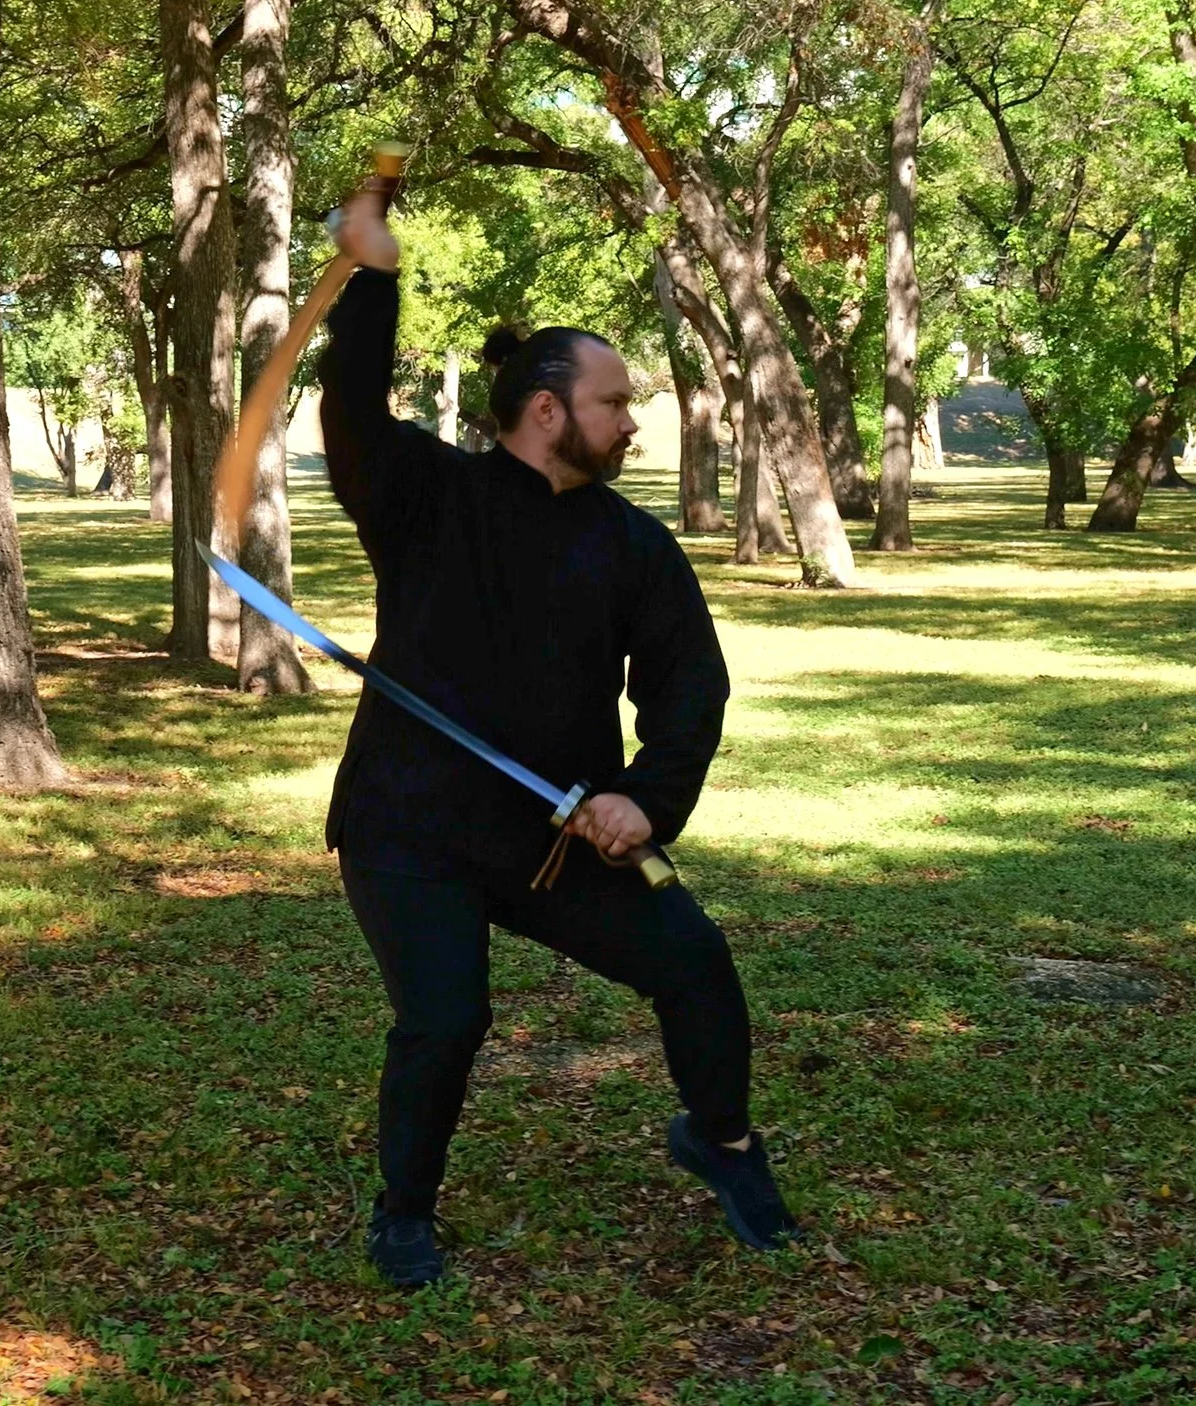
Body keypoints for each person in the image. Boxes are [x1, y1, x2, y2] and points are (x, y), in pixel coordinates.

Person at [320, 192, 799, 1289]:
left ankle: (720, 1141)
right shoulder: (424, 496)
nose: (632, 420)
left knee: (694, 962)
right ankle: (404, 1211)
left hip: (552, 831)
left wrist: (644, 796)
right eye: (614, 400)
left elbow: (690, 684)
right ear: (545, 410)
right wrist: (374, 279)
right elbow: (350, 405)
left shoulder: (633, 544)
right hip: (408, 825)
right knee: (445, 1018)